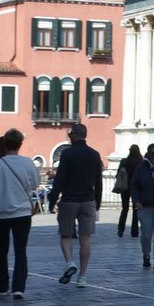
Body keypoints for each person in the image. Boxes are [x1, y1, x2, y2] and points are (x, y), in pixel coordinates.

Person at [0, 130, 41, 299]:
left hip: (0, 214)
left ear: (5, 144)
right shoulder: (28, 163)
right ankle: (18, 288)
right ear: (20, 144)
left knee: (2, 250)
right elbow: (36, 183)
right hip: (22, 213)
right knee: (20, 251)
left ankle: (3, 287)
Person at [49, 123, 105, 288]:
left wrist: (52, 201)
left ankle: (69, 262)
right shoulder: (95, 155)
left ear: (73, 135)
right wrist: (97, 203)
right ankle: (82, 276)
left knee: (65, 235)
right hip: (88, 200)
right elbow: (99, 182)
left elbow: (60, 180)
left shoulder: (67, 154)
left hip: (69, 200)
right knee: (85, 238)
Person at [113, 145, 143, 238]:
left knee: (124, 209)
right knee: (136, 210)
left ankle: (120, 230)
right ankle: (134, 232)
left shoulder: (124, 161)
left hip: (125, 188)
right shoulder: (141, 162)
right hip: (136, 189)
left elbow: (117, 175)